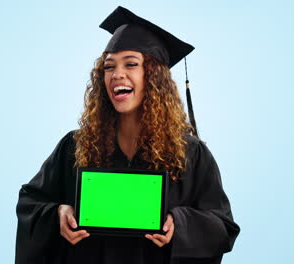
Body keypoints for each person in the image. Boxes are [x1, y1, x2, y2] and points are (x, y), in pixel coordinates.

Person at [15, 6, 240, 264]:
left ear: (154, 77)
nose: (117, 74)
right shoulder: (75, 146)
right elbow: (30, 202)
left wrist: (179, 224)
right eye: (109, 67)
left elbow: (223, 227)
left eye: (131, 64)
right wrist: (58, 214)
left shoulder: (189, 153)